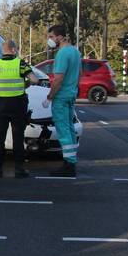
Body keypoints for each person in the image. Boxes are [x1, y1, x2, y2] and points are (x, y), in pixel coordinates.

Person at [0, 40, 38, 178]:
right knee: (18, 137)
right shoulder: (20, 63)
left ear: (3, 50)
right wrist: (25, 83)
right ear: (13, 50)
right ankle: (19, 169)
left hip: (0, 106)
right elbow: (34, 80)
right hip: (18, 105)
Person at [42, 24, 82, 177]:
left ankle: (68, 165)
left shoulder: (62, 54)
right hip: (71, 94)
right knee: (70, 128)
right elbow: (80, 73)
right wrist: (74, 90)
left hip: (61, 97)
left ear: (59, 37)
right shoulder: (75, 52)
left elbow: (58, 78)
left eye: (51, 37)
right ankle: (71, 161)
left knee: (63, 130)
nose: (50, 40)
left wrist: (49, 97)